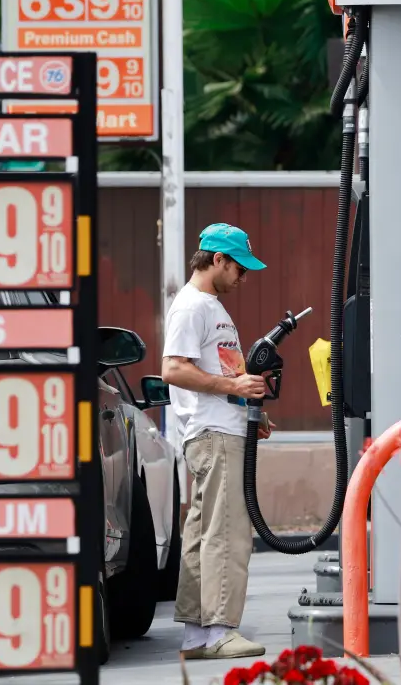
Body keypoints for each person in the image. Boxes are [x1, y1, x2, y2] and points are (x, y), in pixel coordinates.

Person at [161, 222, 276, 660]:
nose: (243, 278)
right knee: (228, 535)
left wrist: (251, 412)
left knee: (203, 535)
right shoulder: (193, 307)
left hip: (219, 429)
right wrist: (233, 393)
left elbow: (225, 375)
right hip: (214, 436)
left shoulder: (209, 307)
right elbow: (173, 369)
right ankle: (222, 631)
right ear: (217, 260)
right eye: (239, 268)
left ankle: (196, 635)